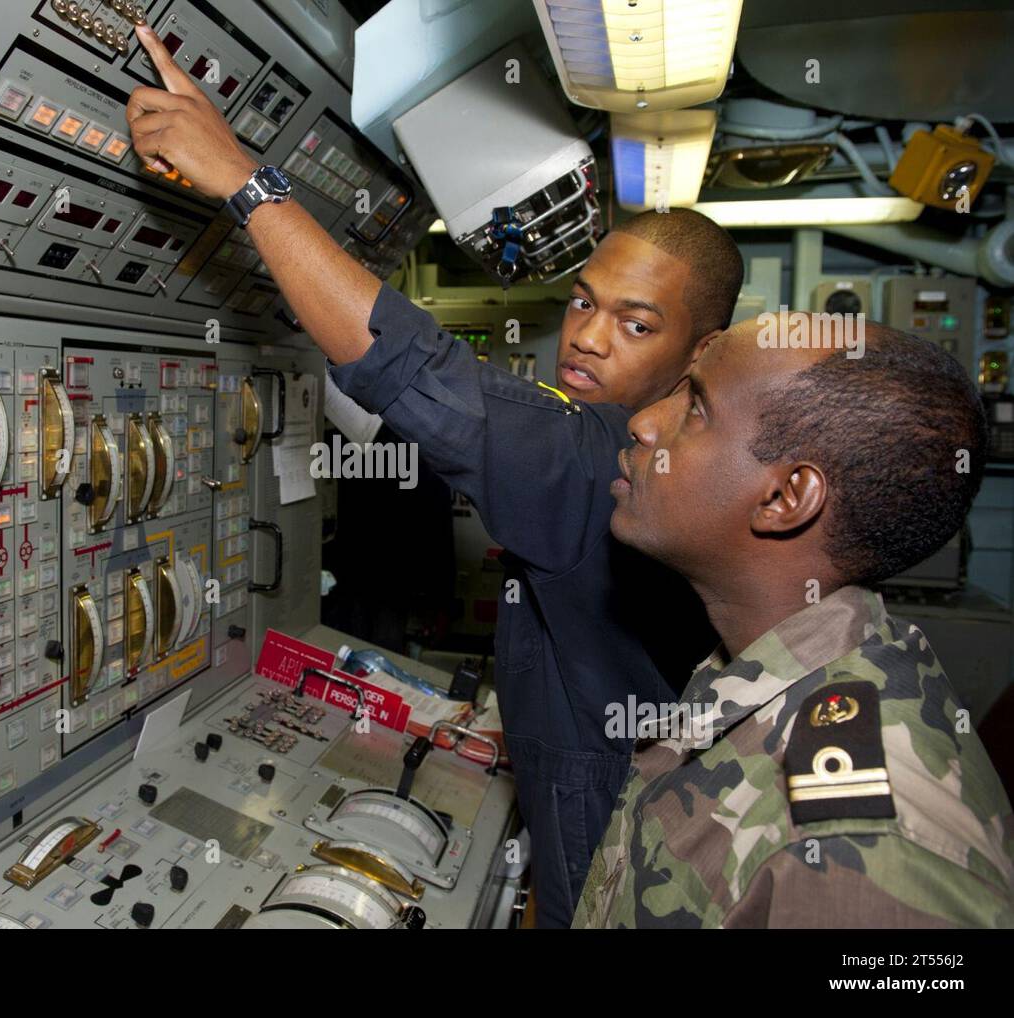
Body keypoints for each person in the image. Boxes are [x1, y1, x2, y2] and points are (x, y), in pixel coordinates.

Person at [124, 26, 741, 927]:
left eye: (636, 325)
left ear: (703, 352)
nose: (590, 336)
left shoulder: (605, 464)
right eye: (581, 302)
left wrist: (245, 184)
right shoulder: (656, 449)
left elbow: (421, 372)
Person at [574, 314, 1014, 927]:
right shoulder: (759, 661)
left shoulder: (861, 856)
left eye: (696, 406)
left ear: (784, 499)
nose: (644, 422)